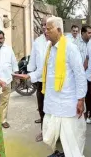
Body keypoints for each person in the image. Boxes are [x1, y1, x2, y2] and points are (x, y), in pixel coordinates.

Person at [14, 16, 87, 157]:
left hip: (68, 101)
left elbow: (80, 75)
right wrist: (29, 76)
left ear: (58, 30)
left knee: (72, 138)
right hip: (53, 99)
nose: (45, 31)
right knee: (52, 134)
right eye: (45, 28)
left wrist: (81, 99)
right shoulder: (49, 47)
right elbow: (43, 70)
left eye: (49, 29)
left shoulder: (70, 48)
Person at [27, 16, 50, 142]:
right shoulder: (38, 41)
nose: (45, 27)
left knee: (54, 110)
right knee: (42, 108)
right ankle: (44, 132)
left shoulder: (59, 41)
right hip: (41, 81)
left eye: (47, 24)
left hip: (55, 82)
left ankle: (55, 134)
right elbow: (33, 61)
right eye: (43, 24)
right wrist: (32, 77)